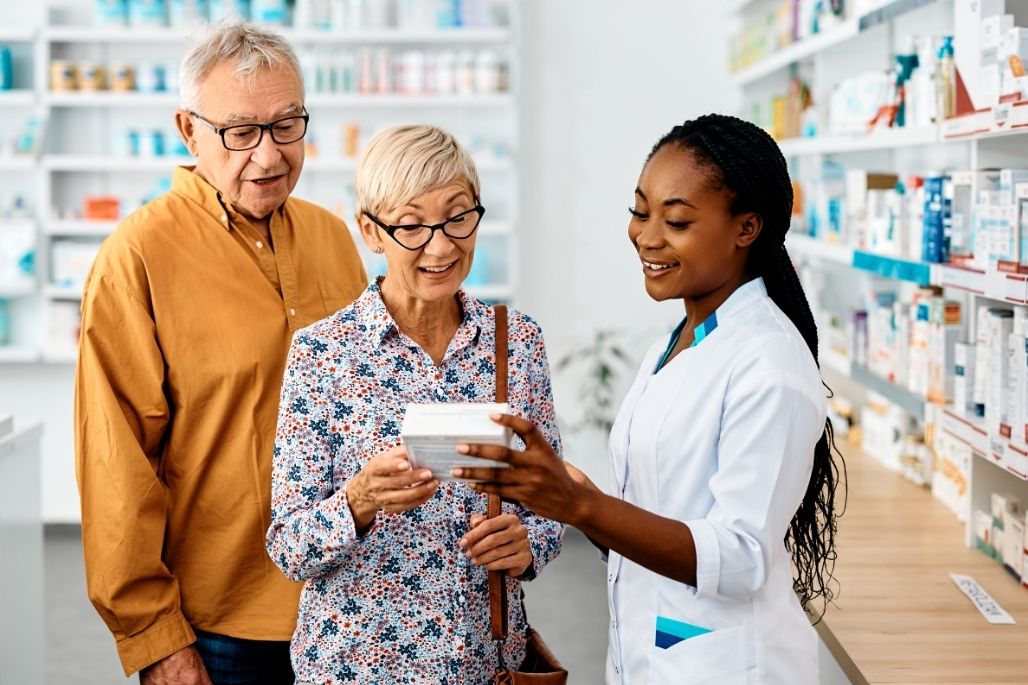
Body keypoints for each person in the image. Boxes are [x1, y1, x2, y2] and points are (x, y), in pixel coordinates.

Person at [455, 113, 844, 684]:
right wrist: (582, 497)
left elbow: (740, 557)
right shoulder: (683, 337)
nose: (647, 237)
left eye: (677, 220)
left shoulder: (769, 363)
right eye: (640, 212)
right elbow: (667, 508)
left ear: (747, 228)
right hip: (654, 650)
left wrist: (580, 507)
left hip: (728, 666)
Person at [74, 20, 367, 685]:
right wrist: (156, 641)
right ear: (189, 129)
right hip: (218, 628)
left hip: (347, 605)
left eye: (287, 125)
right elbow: (116, 467)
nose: (268, 156)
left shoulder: (332, 238)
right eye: (241, 132)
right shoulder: (138, 256)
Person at [266, 124, 564, 684]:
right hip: (353, 668)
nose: (442, 245)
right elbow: (288, 546)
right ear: (370, 231)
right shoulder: (322, 354)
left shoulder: (517, 343)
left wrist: (526, 547)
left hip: (483, 661)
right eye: (411, 226)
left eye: (457, 217)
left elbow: (551, 500)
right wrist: (358, 499)